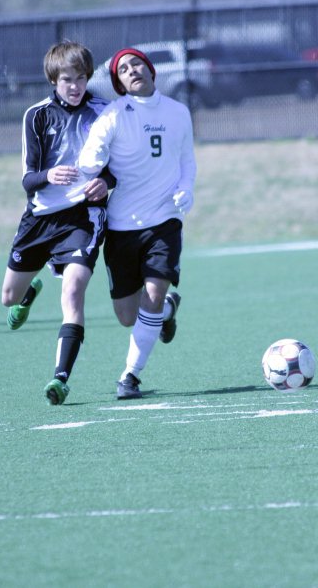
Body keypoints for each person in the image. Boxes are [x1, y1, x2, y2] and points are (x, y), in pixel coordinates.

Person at [79, 46, 197, 400]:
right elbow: (88, 161)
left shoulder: (178, 112)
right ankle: (168, 308)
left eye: (137, 64)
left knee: (152, 294)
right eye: (124, 69)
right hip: (122, 227)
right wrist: (92, 162)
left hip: (164, 221)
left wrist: (186, 190)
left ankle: (130, 376)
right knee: (128, 316)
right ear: (118, 82)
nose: (132, 70)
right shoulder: (113, 117)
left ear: (150, 70)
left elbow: (187, 160)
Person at [1, 41, 113, 405]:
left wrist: (105, 183)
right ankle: (31, 290)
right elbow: (28, 179)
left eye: (81, 78)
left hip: (82, 217)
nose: (76, 86)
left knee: (73, 290)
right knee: (8, 298)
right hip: (39, 219)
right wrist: (50, 175)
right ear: (54, 79)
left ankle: (60, 378)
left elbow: (118, 167)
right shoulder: (37, 115)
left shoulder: (104, 112)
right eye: (67, 79)